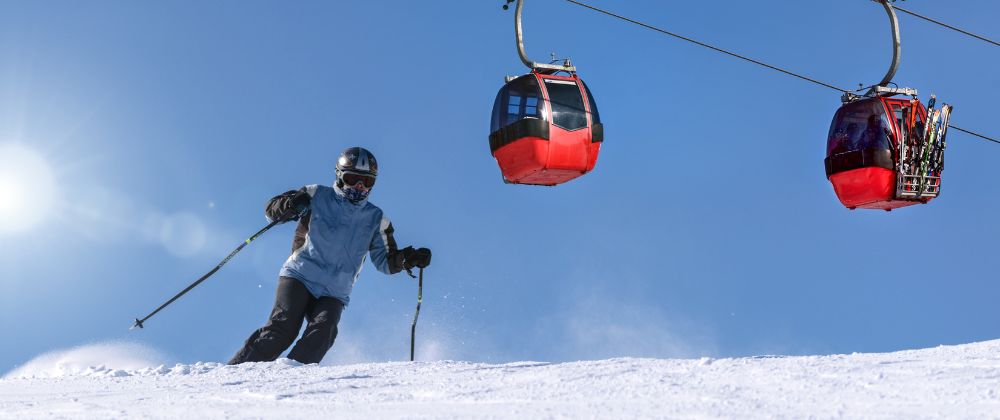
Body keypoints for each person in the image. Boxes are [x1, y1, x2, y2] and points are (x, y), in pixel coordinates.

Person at [228, 146, 431, 365]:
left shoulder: (376, 219)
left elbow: (386, 262)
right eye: (352, 179)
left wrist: (408, 259)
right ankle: (236, 372)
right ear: (340, 176)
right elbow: (272, 211)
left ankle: (291, 376)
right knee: (282, 330)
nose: (360, 186)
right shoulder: (316, 194)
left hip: (334, 291)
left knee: (323, 333)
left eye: (367, 181)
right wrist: (291, 204)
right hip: (300, 275)